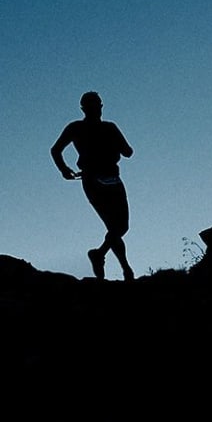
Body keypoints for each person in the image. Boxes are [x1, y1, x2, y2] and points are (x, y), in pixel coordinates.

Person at [51, 91, 135, 280]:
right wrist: (64, 169)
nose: (95, 109)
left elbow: (128, 152)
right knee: (116, 226)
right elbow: (128, 151)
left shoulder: (89, 128)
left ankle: (101, 255)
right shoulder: (96, 128)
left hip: (109, 179)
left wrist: (65, 170)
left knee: (120, 227)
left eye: (95, 106)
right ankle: (124, 268)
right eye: (93, 106)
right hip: (95, 180)